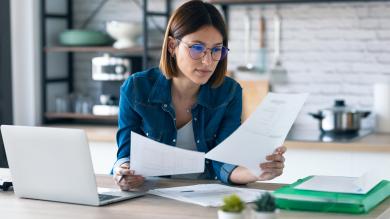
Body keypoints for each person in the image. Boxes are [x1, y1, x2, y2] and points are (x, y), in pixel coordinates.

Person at [113, 0, 286, 191]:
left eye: (216, 50)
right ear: (172, 46)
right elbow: (125, 155)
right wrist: (124, 172)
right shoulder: (137, 87)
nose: (208, 61)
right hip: (153, 195)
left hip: (205, 195)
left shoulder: (229, 92)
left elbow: (224, 163)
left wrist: (256, 171)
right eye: (197, 48)